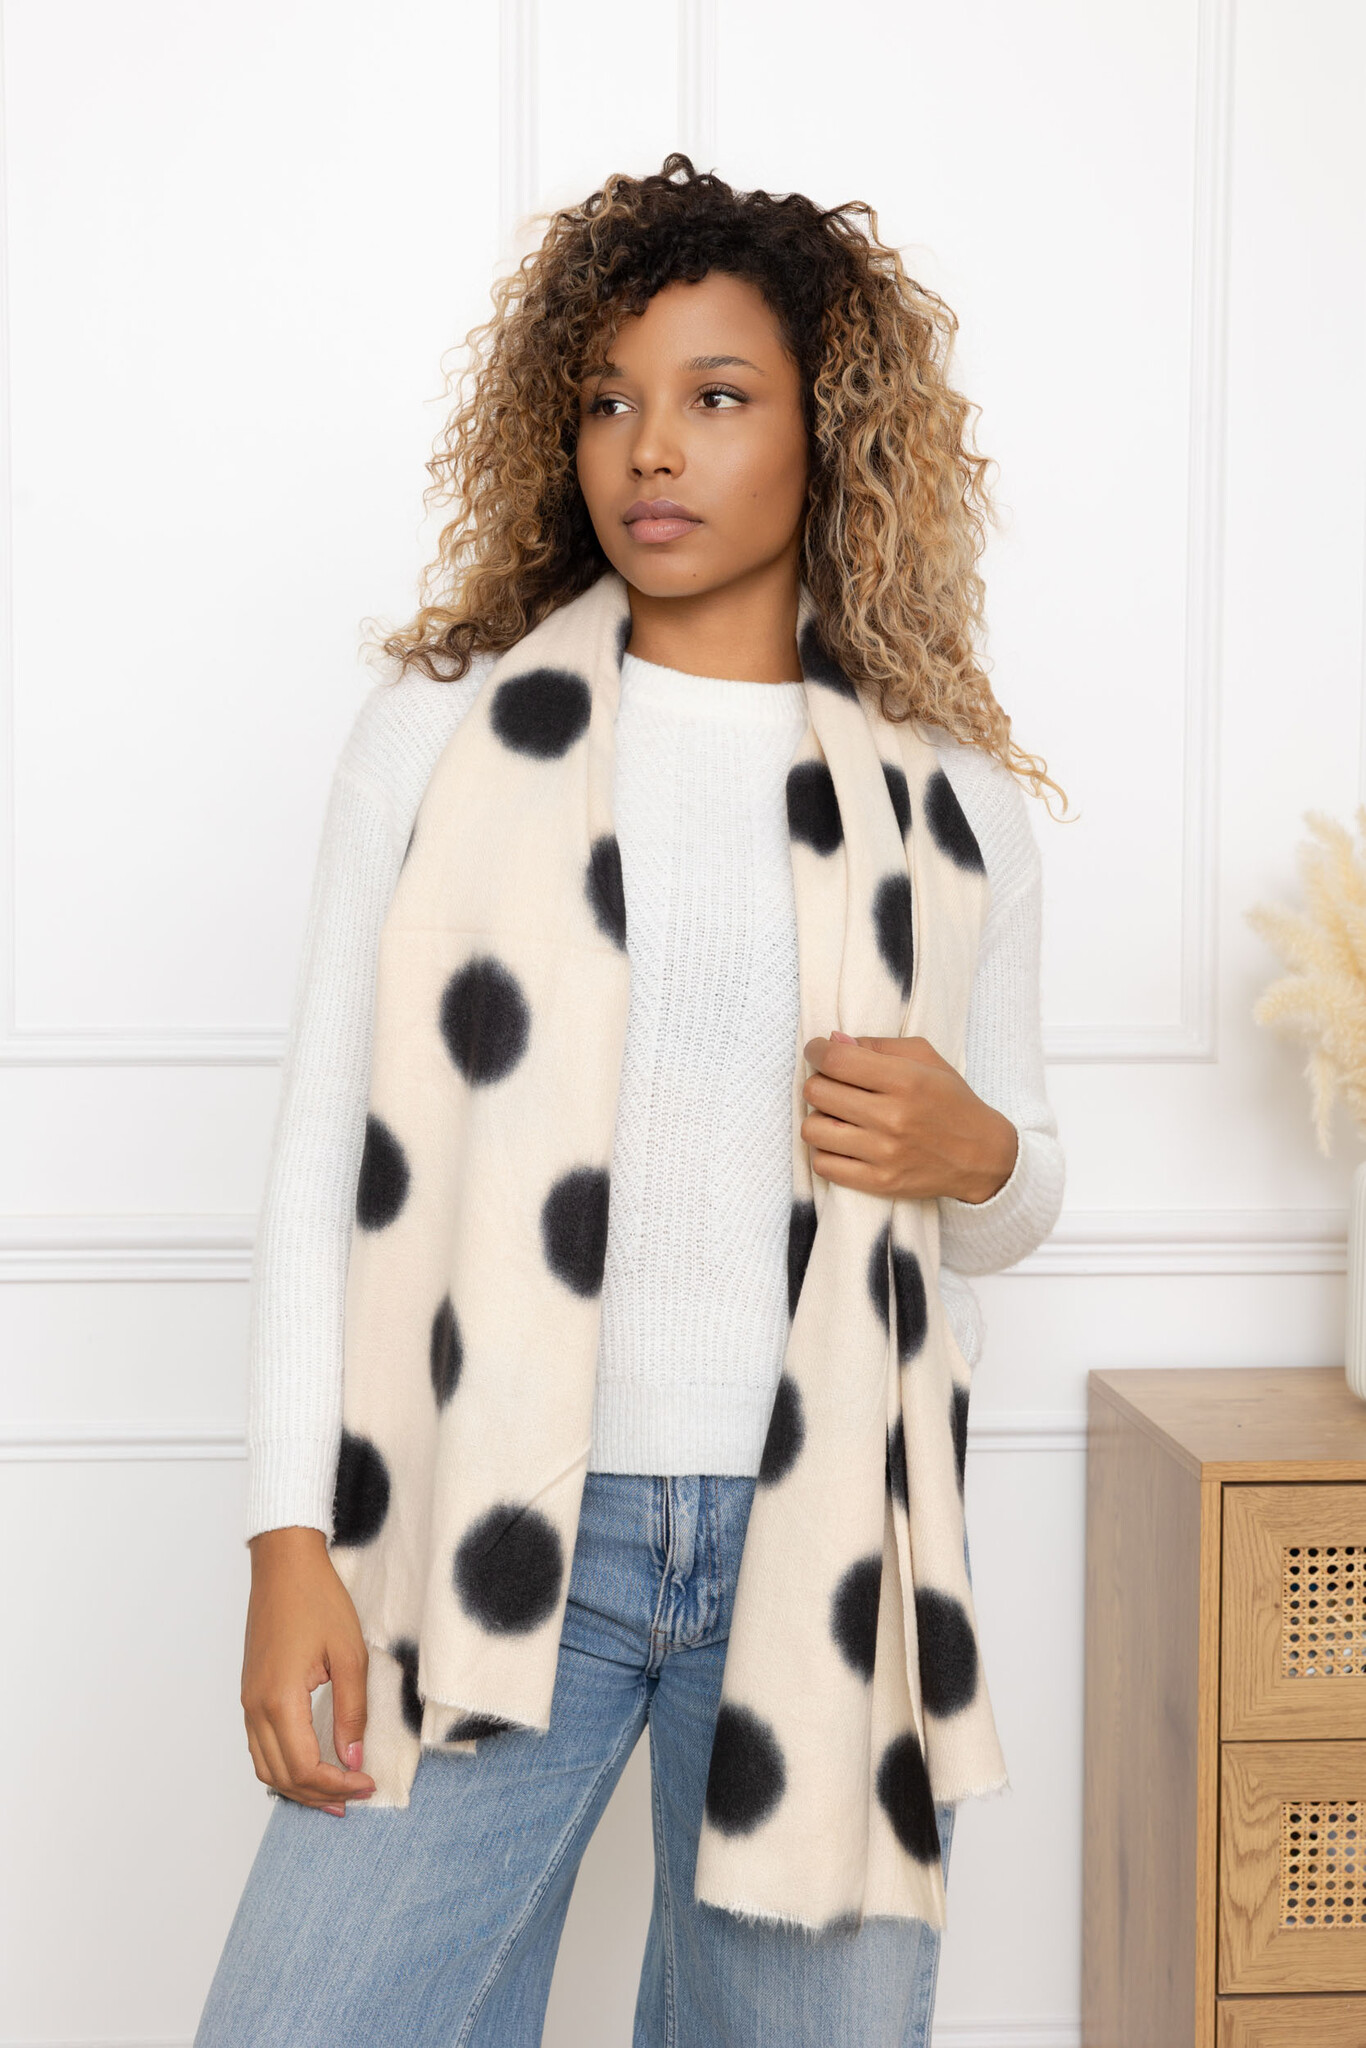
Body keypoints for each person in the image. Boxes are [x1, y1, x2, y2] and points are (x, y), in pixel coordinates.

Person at [194, 154, 1068, 2048]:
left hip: (819, 1551)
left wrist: (980, 1152)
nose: (649, 449)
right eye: (607, 400)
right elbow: (322, 1158)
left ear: (829, 433)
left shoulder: (946, 799)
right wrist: (285, 1541)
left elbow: (1010, 1187)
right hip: (491, 1515)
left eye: (715, 396)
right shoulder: (441, 734)